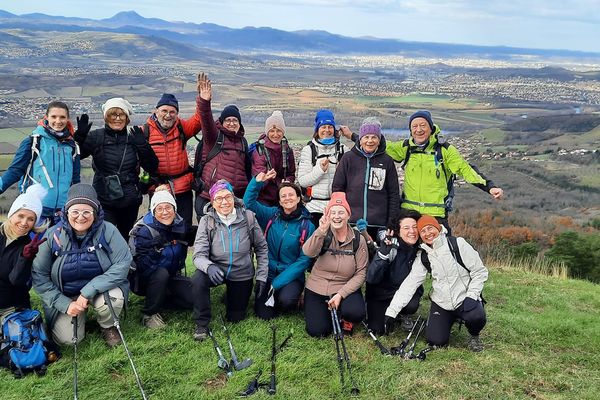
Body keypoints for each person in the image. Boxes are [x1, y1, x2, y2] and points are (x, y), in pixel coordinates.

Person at [32, 184, 132, 348]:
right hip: (66, 295)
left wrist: (87, 292)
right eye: (75, 211)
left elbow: (122, 263)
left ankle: (108, 326)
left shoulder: (109, 230)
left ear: (95, 212)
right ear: (66, 212)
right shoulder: (52, 235)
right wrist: (64, 304)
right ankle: (77, 316)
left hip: (100, 290)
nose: (80, 217)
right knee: (68, 341)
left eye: (87, 211)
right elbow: (39, 276)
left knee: (113, 299)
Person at [385, 215, 488, 352]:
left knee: (476, 317)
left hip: (464, 299)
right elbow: (409, 285)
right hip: (442, 302)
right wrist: (391, 312)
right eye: (423, 231)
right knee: (436, 341)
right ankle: (449, 319)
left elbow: (479, 271)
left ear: (438, 228)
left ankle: (474, 335)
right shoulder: (423, 256)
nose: (428, 233)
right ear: (420, 235)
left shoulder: (457, 244)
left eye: (430, 228)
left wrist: (472, 295)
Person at [386, 110, 504, 230]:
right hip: (409, 213)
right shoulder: (406, 148)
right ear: (410, 130)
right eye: (414, 126)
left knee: (442, 248)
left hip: (436, 214)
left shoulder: (444, 150)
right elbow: (383, 146)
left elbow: (465, 169)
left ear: (431, 128)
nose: (419, 129)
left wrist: (489, 186)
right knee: (406, 247)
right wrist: (369, 133)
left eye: (423, 125)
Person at [191, 180, 268, 340]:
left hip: (241, 273)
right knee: (198, 278)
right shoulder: (207, 221)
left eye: (228, 197)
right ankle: (201, 323)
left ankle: (231, 295)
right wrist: (209, 267)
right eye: (219, 198)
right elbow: (198, 255)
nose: (224, 202)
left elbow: (261, 248)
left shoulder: (248, 217)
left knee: (236, 317)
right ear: (212, 202)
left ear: (234, 198)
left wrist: (261, 277)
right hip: (215, 271)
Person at [75, 98, 159, 240]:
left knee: (126, 237)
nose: (117, 119)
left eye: (121, 115)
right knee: (104, 237)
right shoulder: (97, 137)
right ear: (106, 117)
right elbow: (76, 157)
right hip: (104, 199)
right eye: (113, 114)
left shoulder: (133, 138)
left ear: (127, 118)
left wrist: (143, 145)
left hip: (130, 200)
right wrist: (79, 139)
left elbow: (152, 166)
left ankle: (125, 262)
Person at [243, 170, 315, 320]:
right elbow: (248, 203)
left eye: (291, 195)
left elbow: (304, 260)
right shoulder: (271, 215)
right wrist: (257, 183)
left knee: (286, 301)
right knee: (264, 314)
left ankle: (293, 298)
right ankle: (271, 296)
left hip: (291, 275)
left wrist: (277, 283)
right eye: (283, 196)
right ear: (280, 202)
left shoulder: (307, 226)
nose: (287, 198)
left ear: (298, 198)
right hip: (268, 272)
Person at [0, 101, 87, 225]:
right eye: (54, 117)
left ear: (67, 119)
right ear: (46, 117)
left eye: (62, 117)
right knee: (34, 244)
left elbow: (75, 180)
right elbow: (15, 170)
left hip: (63, 211)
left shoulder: (72, 146)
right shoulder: (34, 141)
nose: (58, 121)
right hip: (35, 209)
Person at [302, 192, 368, 337]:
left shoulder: (358, 239)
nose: (337, 216)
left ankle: (345, 317)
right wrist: (321, 231)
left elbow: (361, 273)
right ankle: (328, 312)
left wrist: (341, 294)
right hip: (317, 287)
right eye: (333, 212)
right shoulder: (323, 232)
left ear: (348, 215)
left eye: (341, 212)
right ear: (328, 215)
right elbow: (308, 252)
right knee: (318, 331)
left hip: (344, 287)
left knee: (355, 312)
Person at [129, 188, 193, 329]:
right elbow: (143, 266)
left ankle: (162, 300)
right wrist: (155, 250)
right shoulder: (144, 231)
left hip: (171, 275)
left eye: (168, 207)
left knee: (193, 298)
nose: (165, 212)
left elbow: (188, 240)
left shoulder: (179, 225)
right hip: (145, 279)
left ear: (174, 209)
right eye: (160, 209)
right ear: (153, 211)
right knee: (161, 273)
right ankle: (149, 313)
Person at [145, 77, 203, 230]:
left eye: (172, 112)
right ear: (156, 111)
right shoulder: (145, 132)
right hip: (158, 190)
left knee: (183, 231)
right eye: (164, 111)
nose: (168, 115)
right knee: (157, 232)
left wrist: (202, 99)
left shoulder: (181, 127)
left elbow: (198, 120)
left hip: (182, 190)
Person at [332, 117, 400, 240]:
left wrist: (392, 221)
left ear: (379, 140)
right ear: (360, 139)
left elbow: (394, 194)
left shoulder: (387, 161)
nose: (370, 141)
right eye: (366, 137)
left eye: (374, 137)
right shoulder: (348, 159)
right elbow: (337, 189)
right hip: (351, 222)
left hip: (379, 224)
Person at [194, 73, 250, 219]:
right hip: (209, 197)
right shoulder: (214, 137)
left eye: (235, 120)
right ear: (222, 122)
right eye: (228, 120)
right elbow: (206, 120)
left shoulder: (243, 142)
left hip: (234, 200)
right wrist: (204, 101)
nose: (232, 123)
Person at [366, 209, 423, 335]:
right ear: (398, 231)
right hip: (381, 294)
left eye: (415, 227)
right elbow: (371, 278)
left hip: (405, 292)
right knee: (378, 330)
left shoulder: (420, 250)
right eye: (406, 228)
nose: (412, 231)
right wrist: (382, 255)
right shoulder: (391, 247)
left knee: (412, 304)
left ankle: (403, 313)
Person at [297, 109, 353, 228]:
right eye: (323, 127)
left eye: (330, 127)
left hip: (337, 208)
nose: (327, 130)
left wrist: (351, 135)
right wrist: (320, 170)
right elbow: (303, 181)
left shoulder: (343, 150)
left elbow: (365, 147)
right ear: (317, 130)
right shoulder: (309, 150)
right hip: (314, 208)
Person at [0, 185, 48, 321]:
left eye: (30, 219)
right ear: (11, 214)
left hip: (11, 305)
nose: (24, 223)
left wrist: (25, 258)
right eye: (20, 216)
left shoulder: (29, 246)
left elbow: (16, 281)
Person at [250, 111, 296, 206]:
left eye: (279, 131)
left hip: (282, 198)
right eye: (272, 131)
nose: (275, 134)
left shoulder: (287, 150)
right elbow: (258, 179)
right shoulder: (260, 151)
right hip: (263, 199)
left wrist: (288, 181)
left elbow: (291, 173)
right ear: (267, 132)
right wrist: (271, 178)